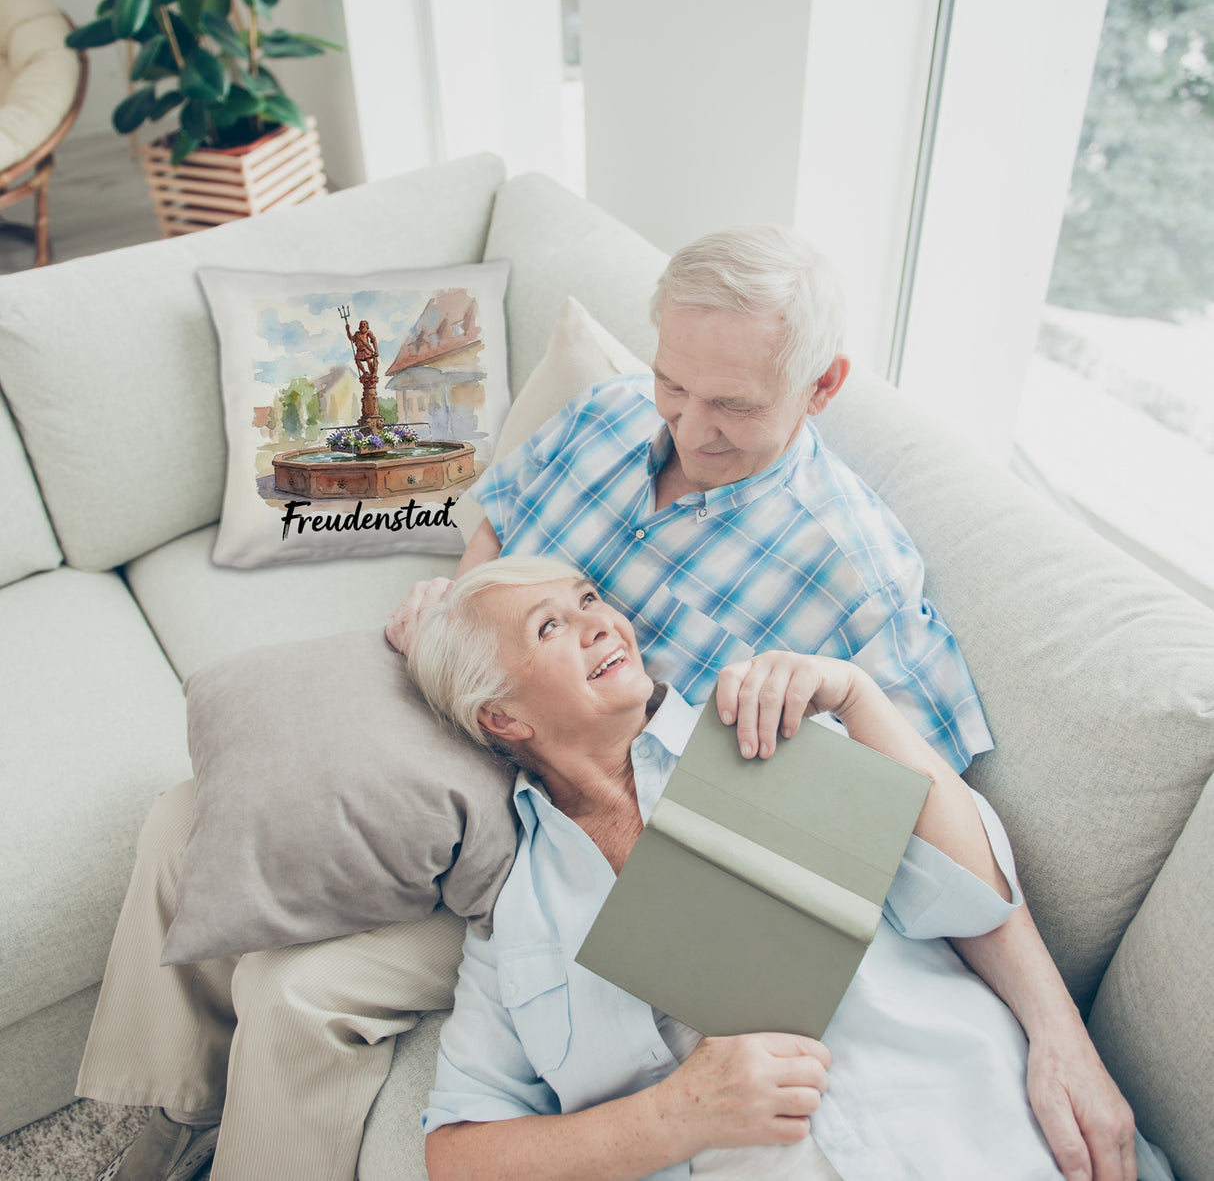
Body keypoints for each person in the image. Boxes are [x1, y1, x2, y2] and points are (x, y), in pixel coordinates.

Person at [79, 227, 1131, 1181]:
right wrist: (459, 609)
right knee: (192, 813)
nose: (687, 424)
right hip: (488, 713)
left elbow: (927, 822)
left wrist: (1057, 1030)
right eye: (675, 383)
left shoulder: (853, 574)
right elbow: (498, 523)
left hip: (578, 820)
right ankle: (158, 1116)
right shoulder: (609, 414)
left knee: (300, 991)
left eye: (732, 405)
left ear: (820, 387)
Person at [407, 556, 1162, 1181]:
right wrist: (673, 1117)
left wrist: (858, 698)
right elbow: (458, 1154)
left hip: (984, 1135)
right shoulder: (516, 918)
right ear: (502, 717)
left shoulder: (762, 729)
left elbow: (973, 896)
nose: (601, 621)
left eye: (589, 599)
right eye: (551, 626)